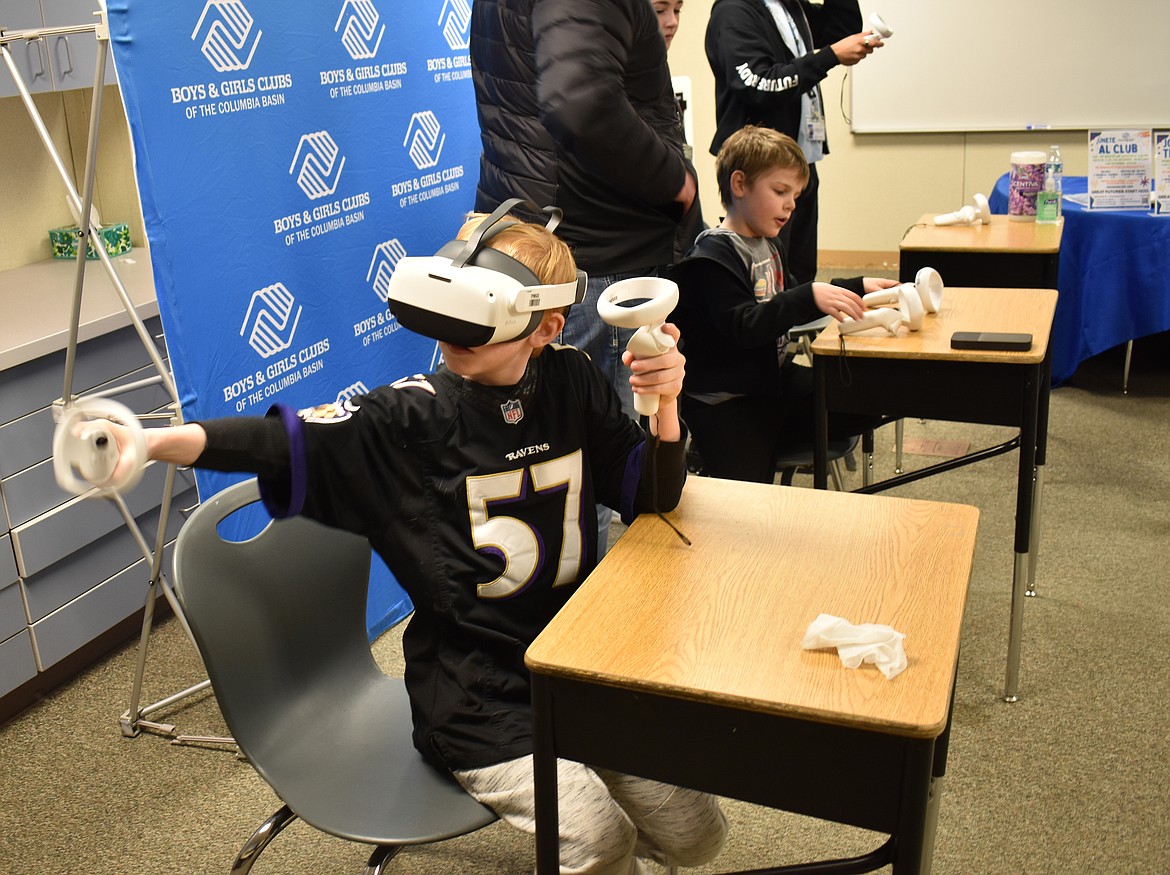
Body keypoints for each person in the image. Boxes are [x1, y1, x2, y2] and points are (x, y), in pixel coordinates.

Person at [100, 208, 727, 875]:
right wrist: (155, 443)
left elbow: (652, 493)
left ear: (545, 326)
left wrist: (665, 403)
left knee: (697, 832)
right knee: (599, 838)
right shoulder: (412, 418)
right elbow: (283, 443)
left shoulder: (572, 381)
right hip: (476, 695)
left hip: (573, 666)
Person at [469, 0, 700, 552]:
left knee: (563, 477)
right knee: (586, 486)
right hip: (592, 259)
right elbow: (580, 101)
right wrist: (679, 183)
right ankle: (585, 635)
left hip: (561, 248)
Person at [670, 125, 898, 484]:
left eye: (796, 194)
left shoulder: (767, 242)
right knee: (749, 507)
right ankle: (716, 452)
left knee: (868, 395)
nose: (791, 204)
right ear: (740, 184)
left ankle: (774, 439)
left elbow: (792, 298)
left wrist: (856, 287)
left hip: (771, 382)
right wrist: (806, 296)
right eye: (780, 191)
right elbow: (745, 326)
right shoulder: (711, 257)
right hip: (727, 405)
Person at [705, 0, 882, 286]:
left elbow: (842, 28)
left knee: (798, 271)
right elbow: (759, 84)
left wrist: (833, 51)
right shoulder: (735, 11)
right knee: (767, 275)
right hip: (762, 167)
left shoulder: (790, 6)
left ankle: (797, 322)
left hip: (799, 159)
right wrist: (831, 56)